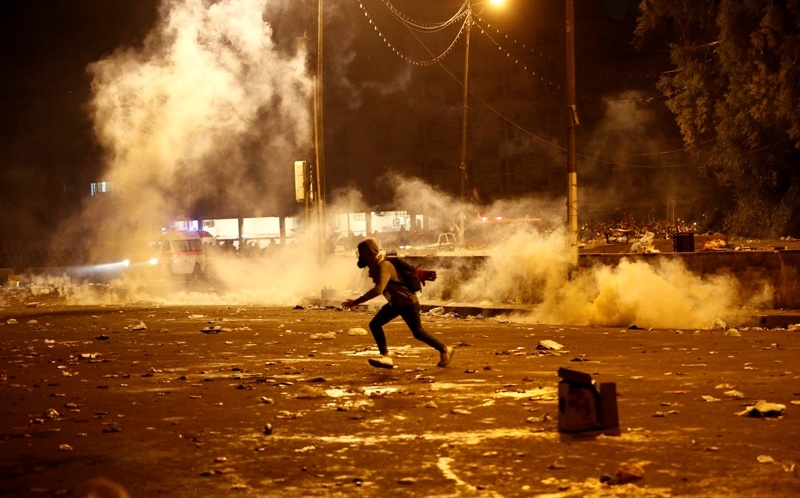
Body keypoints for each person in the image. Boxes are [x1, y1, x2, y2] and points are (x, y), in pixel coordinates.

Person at [341, 238, 454, 369]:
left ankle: (445, 349)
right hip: (395, 304)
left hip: (407, 303)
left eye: (363, 254)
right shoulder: (377, 265)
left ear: (368, 253)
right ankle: (386, 356)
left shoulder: (384, 265)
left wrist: (356, 302)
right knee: (375, 324)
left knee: (418, 332)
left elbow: (378, 289)